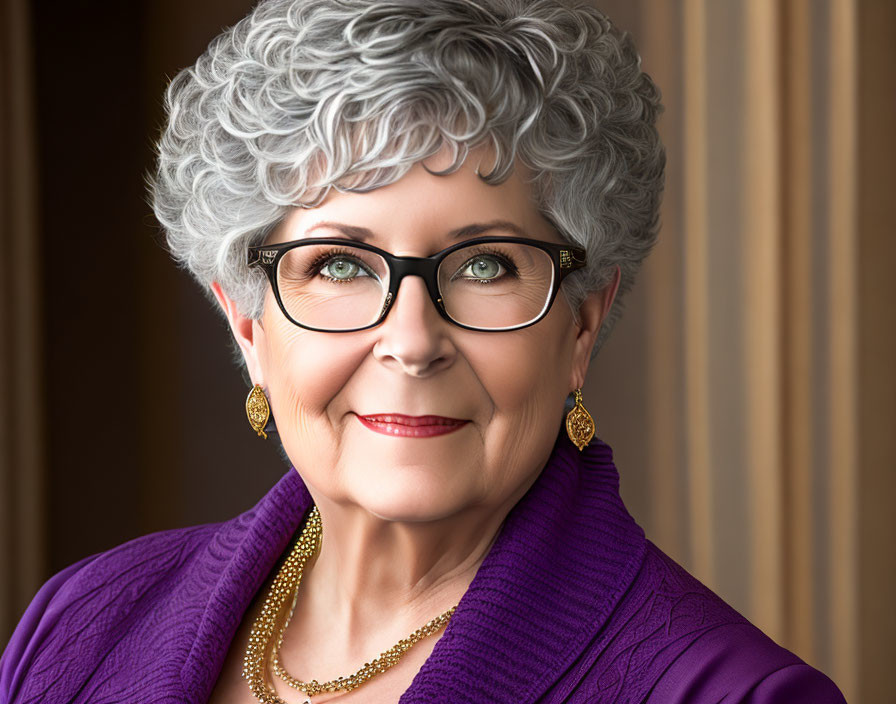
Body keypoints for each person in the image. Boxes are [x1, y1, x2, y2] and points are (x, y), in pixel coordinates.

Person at [0, 1, 847, 702]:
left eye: (484, 266)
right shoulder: (79, 626)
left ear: (583, 323)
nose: (411, 342)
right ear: (248, 325)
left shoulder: (727, 692)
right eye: (339, 264)